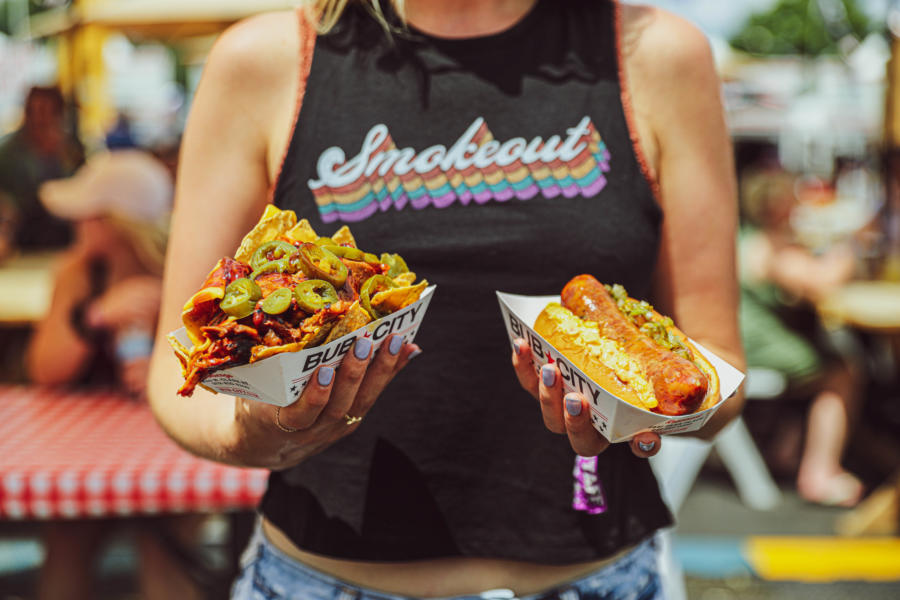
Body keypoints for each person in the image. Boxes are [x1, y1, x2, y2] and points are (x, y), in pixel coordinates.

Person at [148, 1, 745, 598]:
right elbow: (178, 377)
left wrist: (643, 412)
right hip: (318, 582)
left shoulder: (658, 55)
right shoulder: (266, 59)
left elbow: (719, 370)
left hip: (602, 581)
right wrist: (254, 435)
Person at [25, 150, 205, 600]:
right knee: (67, 542)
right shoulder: (79, 274)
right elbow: (44, 370)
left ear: (113, 222)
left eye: (87, 214)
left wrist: (166, 371)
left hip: (169, 448)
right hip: (85, 451)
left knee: (164, 546)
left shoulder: (186, 274)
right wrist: (97, 316)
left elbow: (222, 372)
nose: (77, 223)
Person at [739, 166, 866, 507]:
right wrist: (849, 242)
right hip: (755, 351)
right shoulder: (769, 247)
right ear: (778, 205)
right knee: (842, 372)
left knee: (821, 354)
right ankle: (819, 472)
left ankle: (787, 451)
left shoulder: (752, 237)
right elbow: (823, 281)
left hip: (750, 343)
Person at [0, 86, 83, 255]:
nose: (40, 118)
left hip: (64, 238)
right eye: (35, 111)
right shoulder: (8, 151)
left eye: (47, 111)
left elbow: (80, 188)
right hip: (21, 238)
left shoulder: (70, 148)